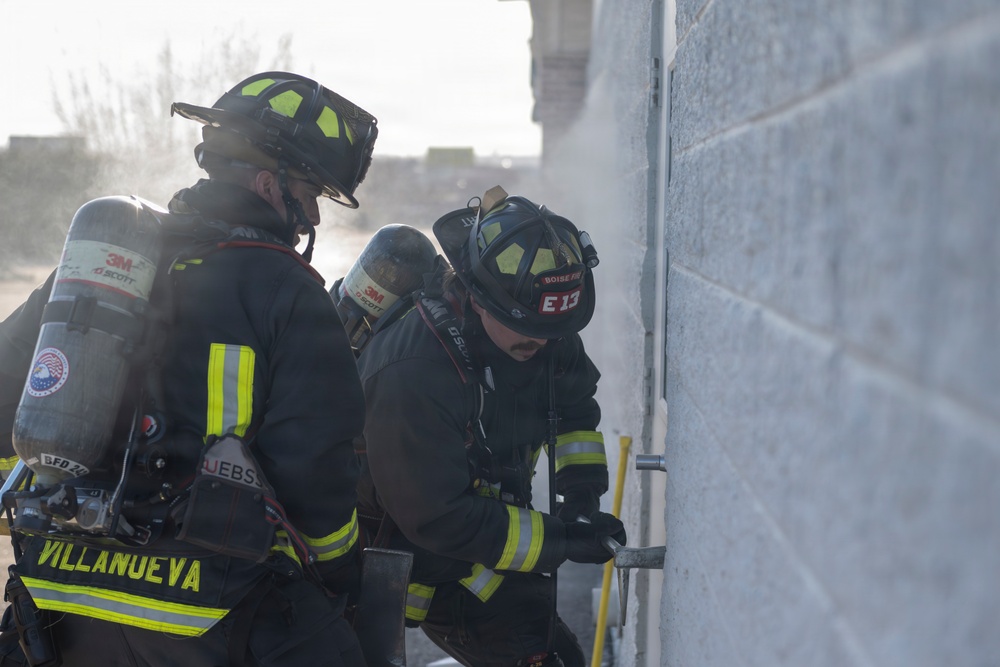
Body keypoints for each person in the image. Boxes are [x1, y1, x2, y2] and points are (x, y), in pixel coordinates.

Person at [0, 71, 377, 666]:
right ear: (269, 183)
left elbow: (7, 385)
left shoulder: (104, 265)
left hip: (55, 599)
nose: (313, 216)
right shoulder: (288, 291)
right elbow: (316, 476)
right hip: (215, 606)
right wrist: (338, 576)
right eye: (310, 194)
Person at [354, 188, 627, 667]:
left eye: (553, 331)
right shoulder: (414, 370)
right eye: (528, 328)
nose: (544, 343)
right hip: (418, 556)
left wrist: (582, 496)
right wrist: (561, 539)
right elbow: (438, 517)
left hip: (486, 535)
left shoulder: (542, 324)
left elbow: (574, 411)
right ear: (479, 299)